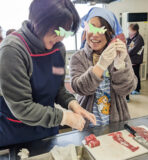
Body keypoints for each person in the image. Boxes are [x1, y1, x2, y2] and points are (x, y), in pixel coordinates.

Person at [0, 0, 96, 147]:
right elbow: (22, 107)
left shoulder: (58, 49)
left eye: (65, 32)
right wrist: (64, 117)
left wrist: (73, 104)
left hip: (47, 128)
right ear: (38, 22)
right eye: (58, 31)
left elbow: (58, 88)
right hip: (17, 133)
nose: (62, 38)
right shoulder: (12, 50)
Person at [70, 7, 137, 127]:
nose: (95, 35)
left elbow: (127, 90)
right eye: (91, 27)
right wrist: (100, 66)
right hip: (86, 122)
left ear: (110, 33)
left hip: (116, 120)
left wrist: (119, 66)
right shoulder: (78, 57)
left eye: (101, 30)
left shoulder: (120, 54)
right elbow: (79, 88)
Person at [127, 23, 144, 96]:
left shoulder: (138, 39)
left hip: (136, 60)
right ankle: (135, 88)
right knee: (133, 74)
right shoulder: (132, 37)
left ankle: (137, 89)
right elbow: (128, 45)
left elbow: (133, 50)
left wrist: (126, 53)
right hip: (132, 59)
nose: (129, 31)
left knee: (136, 75)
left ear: (135, 31)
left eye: (130, 30)